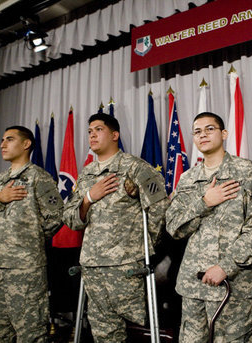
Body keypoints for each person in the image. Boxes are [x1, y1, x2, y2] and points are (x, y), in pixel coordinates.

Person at [166, 112, 252, 343]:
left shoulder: (245, 171)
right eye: (197, 131)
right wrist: (204, 202)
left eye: (210, 129)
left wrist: (227, 266)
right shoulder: (187, 178)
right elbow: (174, 227)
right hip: (194, 287)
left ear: (224, 134)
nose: (203, 134)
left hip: (235, 287)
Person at [62, 112, 169, 342]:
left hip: (125, 265)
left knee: (133, 329)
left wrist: (143, 248)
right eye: (89, 131)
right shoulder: (87, 174)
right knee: (103, 333)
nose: (92, 135)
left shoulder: (134, 167)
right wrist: (89, 197)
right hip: (92, 264)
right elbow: (70, 218)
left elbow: (159, 208)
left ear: (114, 135)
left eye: (98, 129)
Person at [0, 125, 64, 343]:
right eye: (2, 140)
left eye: (9, 139)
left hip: (26, 269)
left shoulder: (38, 178)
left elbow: (57, 216)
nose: (2, 144)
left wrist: (31, 239)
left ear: (26, 144)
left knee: (31, 333)